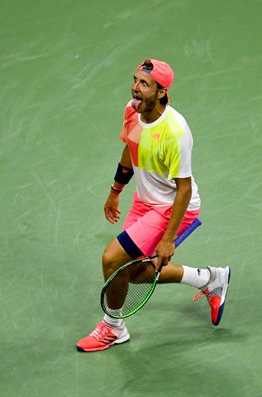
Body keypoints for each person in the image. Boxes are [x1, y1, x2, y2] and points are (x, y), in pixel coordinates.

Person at [76, 59, 231, 352]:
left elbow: (183, 189)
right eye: (135, 80)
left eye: (144, 84)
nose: (136, 87)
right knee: (132, 272)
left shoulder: (175, 132)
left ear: (161, 92)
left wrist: (168, 239)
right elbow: (130, 148)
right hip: (144, 201)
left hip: (172, 207)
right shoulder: (133, 111)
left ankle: (112, 327)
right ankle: (211, 278)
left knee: (111, 260)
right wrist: (115, 190)